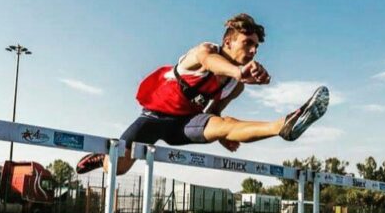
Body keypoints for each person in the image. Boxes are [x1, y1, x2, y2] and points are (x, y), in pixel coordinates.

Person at [76, 13, 328, 175]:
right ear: (228, 42)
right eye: (247, 44)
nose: (252, 51)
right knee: (118, 167)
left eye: (256, 47)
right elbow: (209, 62)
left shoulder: (234, 85)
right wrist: (239, 72)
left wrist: (221, 135)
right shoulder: (203, 51)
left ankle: (283, 126)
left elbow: (214, 113)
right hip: (155, 117)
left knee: (226, 124)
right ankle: (102, 160)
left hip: (184, 126)